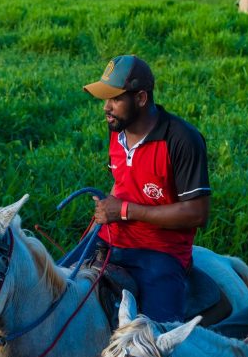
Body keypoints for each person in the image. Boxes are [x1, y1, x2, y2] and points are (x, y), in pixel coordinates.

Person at [82, 55, 211, 323]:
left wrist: (125, 210)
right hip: (109, 237)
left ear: (141, 98)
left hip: (161, 251)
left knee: (152, 338)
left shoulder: (182, 139)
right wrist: (106, 210)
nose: (106, 107)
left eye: (115, 99)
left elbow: (197, 213)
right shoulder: (117, 130)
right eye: (105, 99)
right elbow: (123, 180)